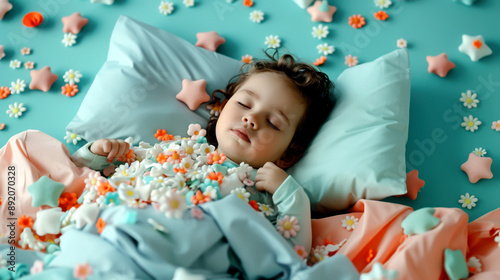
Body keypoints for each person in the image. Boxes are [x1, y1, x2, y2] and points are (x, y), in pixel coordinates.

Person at [71, 52, 336, 253]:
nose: (252, 118)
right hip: (116, 234)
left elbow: (291, 257)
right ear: (222, 108)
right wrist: (97, 152)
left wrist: (293, 197)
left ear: (288, 155)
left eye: (273, 122)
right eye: (244, 104)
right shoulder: (175, 150)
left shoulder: (267, 194)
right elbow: (79, 171)